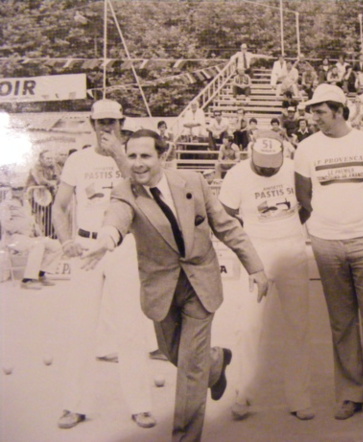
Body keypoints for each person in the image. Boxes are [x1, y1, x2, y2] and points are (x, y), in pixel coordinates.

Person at [81, 129, 269, 441]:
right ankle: (215, 360)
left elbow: (225, 226)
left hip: (200, 282)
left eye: (145, 156)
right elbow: (116, 218)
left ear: (162, 156)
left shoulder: (192, 182)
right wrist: (106, 240)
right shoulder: (125, 191)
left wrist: (256, 267)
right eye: (132, 156)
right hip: (161, 288)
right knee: (175, 355)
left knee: (190, 369)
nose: (138, 163)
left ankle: (184, 436)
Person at [294, 84, 363, 422]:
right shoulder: (306, 147)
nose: (315, 117)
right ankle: (350, 394)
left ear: (340, 110)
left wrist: (361, 216)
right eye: (312, 111)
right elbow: (304, 196)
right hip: (326, 243)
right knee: (341, 322)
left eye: (320, 111)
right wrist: (331, 220)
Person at [51, 99, 156, 430]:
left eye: (112, 122)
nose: (106, 128)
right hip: (85, 244)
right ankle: (74, 404)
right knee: (81, 326)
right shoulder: (78, 160)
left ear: (122, 123)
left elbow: (144, 194)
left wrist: (120, 156)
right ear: (91, 124)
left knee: (130, 327)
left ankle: (140, 404)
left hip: (123, 245)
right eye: (100, 123)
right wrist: (66, 239)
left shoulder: (133, 157)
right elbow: (60, 205)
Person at [218, 130, 314, 421]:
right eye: (262, 166)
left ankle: (299, 397)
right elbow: (225, 215)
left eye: (273, 165)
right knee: (248, 326)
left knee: (298, 326)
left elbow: (307, 206)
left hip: (292, 251)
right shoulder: (235, 176)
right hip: (255, 253)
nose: (268, 170)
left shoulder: (295, 168)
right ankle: (242, 393)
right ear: (251, 155)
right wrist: (247, 244)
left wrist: (289, 230)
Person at [0, 176, 61, 289]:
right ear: (11, 190)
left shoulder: (26, 203)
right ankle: (27, 280)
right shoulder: (6, 204)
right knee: (37, 245)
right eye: (15, 188)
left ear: (24, 189)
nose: (18, 191)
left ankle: (41, 274)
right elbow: (6, 224)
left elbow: (32, 220)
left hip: (29, 237)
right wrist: (23, 228)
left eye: (20, 188)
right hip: (14, 238)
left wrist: (38, 231)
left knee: (56, 245)